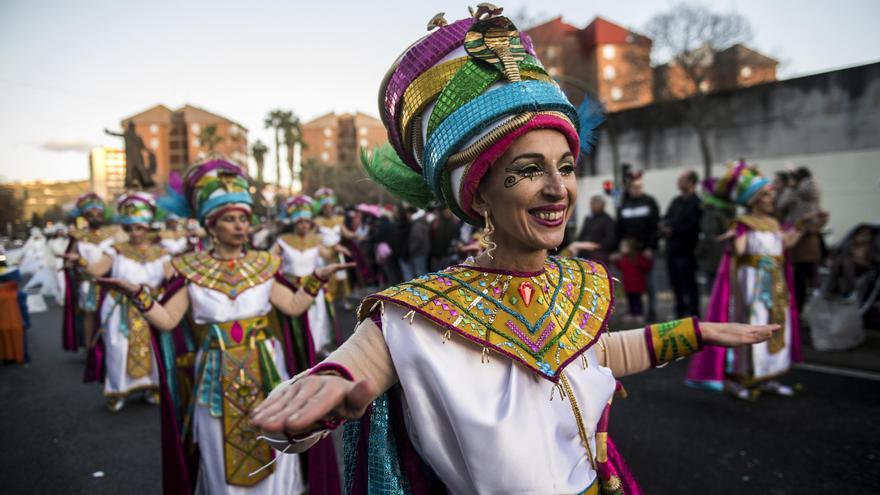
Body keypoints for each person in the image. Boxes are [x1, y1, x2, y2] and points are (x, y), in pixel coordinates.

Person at [251, 9, 778, 494]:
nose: (558, 189)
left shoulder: (577, 282)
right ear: (478, 193)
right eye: (528, 170)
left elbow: (593, 356)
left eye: (566, 167)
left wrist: (696, 333)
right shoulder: (414, 317)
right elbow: (347, 372)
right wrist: (318, 400)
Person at [99, 159, 352, 494]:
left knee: (277, 434)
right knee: (217, 441)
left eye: (244, 219)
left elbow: (293, 307)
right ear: (211, 225)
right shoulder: (189, 269)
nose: (239, 226)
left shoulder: (265, 265)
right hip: (214, 374)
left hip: (266, 369)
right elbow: (167, 320)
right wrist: (138, 297)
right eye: (230, 219)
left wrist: (317, 279)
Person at [686, 162, 803, 400]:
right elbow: (738, 252)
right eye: (767, 194)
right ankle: (738, 378)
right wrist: (732, 239)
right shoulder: (743, 225)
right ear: (755, 199)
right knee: (752, 326)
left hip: (776, 284)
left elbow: (785, 246)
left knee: (778, 327)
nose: (772, 198)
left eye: (771, 194)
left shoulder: (774, 224)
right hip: (752, 286)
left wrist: (803, 227)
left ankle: (769, 376)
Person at [65, 192, 168, 411]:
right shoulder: (116, 250)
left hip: (150, 308)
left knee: (152, 346)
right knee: (117, 347)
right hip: (119, 308)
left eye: (139, 227)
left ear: (147, 226)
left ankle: (151, 387)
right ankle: (117, 390)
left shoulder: (161, 253)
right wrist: (80, 261)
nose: (134, 233)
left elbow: (173, 279)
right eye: (129, 228)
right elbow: (97, 271)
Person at [273, 195, 343, 357]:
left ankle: (317, 347)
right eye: (300, 222)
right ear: (294, 223)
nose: (304, 225)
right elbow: (270, 260)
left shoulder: (316, 240)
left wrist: (336, 250)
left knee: (318, 317)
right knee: (300, 320)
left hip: (314, 287)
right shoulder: (283, 240)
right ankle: (301, 350)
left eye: (307, 222)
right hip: (293, 289)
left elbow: (327, 254)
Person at [63, 193, 119, 352]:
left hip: (109, 282)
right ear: (84, 217)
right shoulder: (78, 237)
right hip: (87, 283)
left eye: (99, 215)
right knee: (89, 315)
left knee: (108, 314)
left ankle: (108, 347)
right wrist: (70, 264)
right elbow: (70, 258)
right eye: (91, 215)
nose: (95, 218)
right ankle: (90, 349)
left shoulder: (113, 236)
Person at [778, 166, 828, 314]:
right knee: (812, 279)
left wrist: (789, 189)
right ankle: (815, 311)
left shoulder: (795, 193)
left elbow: (781, 205)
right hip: (812, 240)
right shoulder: (814, 192)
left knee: (798, 279)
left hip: (799, 240)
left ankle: (797, 311)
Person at [616, 171, 660, 320]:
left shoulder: (650, 202)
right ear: (629, 188)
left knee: (650, 283)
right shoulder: (623, 205)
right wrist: (621, 247)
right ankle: (633, 310)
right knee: (631, 283)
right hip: (629, 251)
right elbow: (620, 229)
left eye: (640, 187)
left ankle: (651, 310)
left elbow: (655, 227)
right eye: (635, 187)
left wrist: (651, 247)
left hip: (645, 249)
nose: (638, 190)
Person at [661, 170, 702, 318]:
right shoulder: (676, 201)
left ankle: (693, 311)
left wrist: (675, 230)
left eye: (682, 180)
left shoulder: (696, 202)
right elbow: (666, 217)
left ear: (691, 182)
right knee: (675, 282)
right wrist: (665, 226)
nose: (678, 182)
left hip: (687, 250)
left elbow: (694, 226)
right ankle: (680, 310)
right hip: (672, 249)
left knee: (689, 282)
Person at [313, 188, 356, 306]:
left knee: (341, 277)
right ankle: (327, 302)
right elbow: (311, 237)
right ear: (322, 208)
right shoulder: (317, 221)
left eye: (329, 206)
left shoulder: (338, 219)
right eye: (325, 207)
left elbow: (346, 233)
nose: (328, 208)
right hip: (325, 254)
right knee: (327, 277)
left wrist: (358, 235)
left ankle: (344, 300)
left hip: (338, 253)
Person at [696, 177, 736, 294]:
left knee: (715, 292)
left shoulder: (711, 210)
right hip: (728, 255)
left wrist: (699, 252)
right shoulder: (729, 208)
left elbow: (709, 235)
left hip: (714, 258)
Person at [612, 238, 653, 324]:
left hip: (637, 285)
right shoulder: (624, 258)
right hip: (628, 285)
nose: (622, 249)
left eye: (624, 247)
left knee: (637, 300)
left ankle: (639, 314)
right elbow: (620, 266)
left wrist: (649, 259)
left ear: (630, 247)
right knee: (630, 300)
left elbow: (646, 267)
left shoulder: (638, 257)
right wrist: (615, 260)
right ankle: (632, 313)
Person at [570, 195, 615, 265]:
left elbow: (610, 239)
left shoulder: (607, 220)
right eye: (591, 203)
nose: (592, 206)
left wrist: (594, 245)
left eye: (594, 203)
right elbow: (581, 235)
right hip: (583, 253)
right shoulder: (588, 218)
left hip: (598, 254)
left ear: (602, 205)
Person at [429, 207, 461, 271]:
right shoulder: (436, 222)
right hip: (436, 255)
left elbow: (457, 237)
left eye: (449, 211)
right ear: (442, 212)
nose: (448, 213)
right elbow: (430, 237)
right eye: (446, 211)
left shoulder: (456, 222)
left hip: (449, 254)